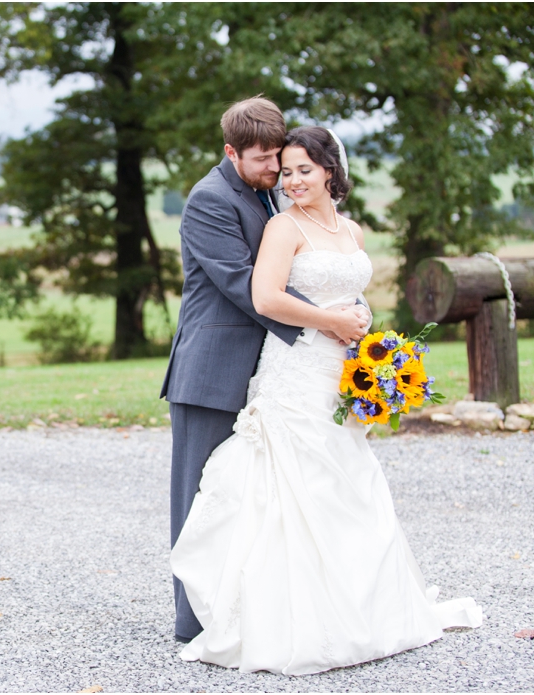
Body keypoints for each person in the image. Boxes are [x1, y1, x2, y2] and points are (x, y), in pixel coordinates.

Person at [169, 125, 482, 675]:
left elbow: (352, 292)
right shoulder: (280, 226)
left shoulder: (352, 231)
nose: (290, 179)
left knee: (346, 477)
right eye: (284, 171)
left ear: (330, 171)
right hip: (296, 367)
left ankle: (363, 606)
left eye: (301, 170)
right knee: (285, 483)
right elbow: (265, 295)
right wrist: (333, 321)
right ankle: (274, 615)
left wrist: (369, 340)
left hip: (337, 366)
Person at [159, 97, 370, 643]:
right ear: (231, 152)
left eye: (279, 157)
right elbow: (242, 283)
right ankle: (193, 620)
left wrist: (350, 310)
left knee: (250, 497)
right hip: (211, 368)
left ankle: (249, 609)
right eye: (262, 160)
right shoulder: (209, 199)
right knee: (202, 496)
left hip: (269, 366)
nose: (275, 169)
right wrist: (327, 320)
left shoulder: (269, 191)